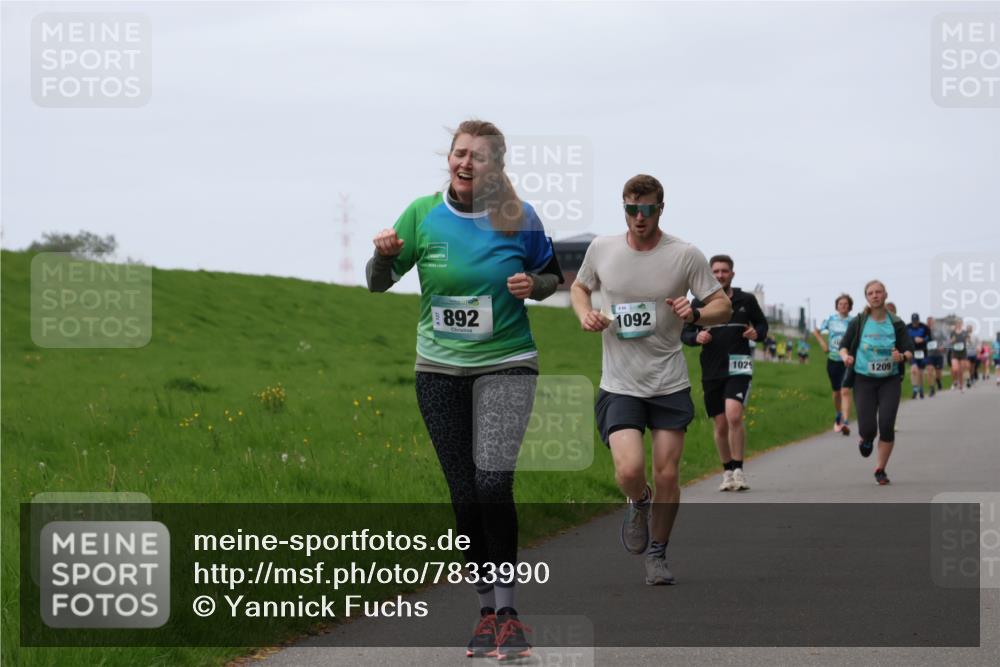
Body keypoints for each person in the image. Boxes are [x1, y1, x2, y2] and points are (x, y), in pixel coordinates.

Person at [367, 120, 563, 660]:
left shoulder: (519, 218)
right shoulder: (422, 213)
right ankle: (483, 611)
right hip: (438, 370)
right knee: (463, 491)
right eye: (459, 153)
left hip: (507, 363)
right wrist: (384, 255)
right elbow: (378, 281)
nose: (466, 162)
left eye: (478, 156)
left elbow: (552, 278)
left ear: (495, 166)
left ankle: (508, 612)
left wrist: (533, 285)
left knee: (493, 482)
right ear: (448, 158)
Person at [571, 174, 730, 585]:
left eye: (648, 209)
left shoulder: (685, 254)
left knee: (668, 475)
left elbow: (722, 306)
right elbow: (579, 287)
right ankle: (638, 501)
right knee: (629, 470)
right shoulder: (602, 248)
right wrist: (584, 313)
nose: (639, 218)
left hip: (668, 381)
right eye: (631, 209)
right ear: (623, 208)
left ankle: (657, 553)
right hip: (620, 382)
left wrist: (694, 313)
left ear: (661, 208)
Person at [681, 254, 767, 492]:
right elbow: (684, 333)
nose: (720, 275)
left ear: (732, 274)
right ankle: (727, 471)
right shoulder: (698, 303)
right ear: (710, 274)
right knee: (720, 425)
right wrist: (696, 336)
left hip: (739, 366)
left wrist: (756, 334)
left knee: (734, 415)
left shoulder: (746, 300)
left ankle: (739, 470)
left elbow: (762, 325)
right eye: (716, 271)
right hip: (711, 369)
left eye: (724, 271)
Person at [839, 280, 914, 485]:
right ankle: (866, 438)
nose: (875, 295)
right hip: (864, 380)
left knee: (887, 425)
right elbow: (844, 346)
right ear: (866, 297)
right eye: (870, 293)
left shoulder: (896, 322)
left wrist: (902, 357)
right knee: (869, 428)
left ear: (885, 294)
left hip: (890, 380)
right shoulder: (860, 321)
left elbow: (909, 349)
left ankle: (880, 469)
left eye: (878, 292)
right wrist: (846, 357)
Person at [814, 294, 854, 435]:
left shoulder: (853, 321)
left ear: (850, 306)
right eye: (840, 304)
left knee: (845, 390)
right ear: (836, 306)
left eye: (846, 304)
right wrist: (823, 343)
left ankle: (846, 421)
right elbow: (816, 331)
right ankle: (838, 414)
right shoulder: (830, 319)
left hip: (847, 361)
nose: (843, 306)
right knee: (836, 392)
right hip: (832, 360)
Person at [906, 313, 932, 399]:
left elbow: (929, 337)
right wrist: (914, 339)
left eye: (916, 321)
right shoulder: (907, 327)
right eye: (914, 321)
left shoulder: (924, 327)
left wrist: (923, 339)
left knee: (920, 372)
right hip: (912, 352)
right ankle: (914, 389)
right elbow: (904, 338)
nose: (915, 323)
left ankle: (921, 389)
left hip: (922, 352)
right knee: (914, 370)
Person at [949, 319, 970, 393]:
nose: (959, 324)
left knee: (961, 371)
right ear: (956, 324)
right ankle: (955, 381)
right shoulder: (953, 332)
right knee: (955, 369)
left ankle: (961, 386)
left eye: (960, 323)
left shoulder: (965, 332)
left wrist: (968, 341)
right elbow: (950, 342)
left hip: (963, 353)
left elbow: (968, 340)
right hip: (955, 353)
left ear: (962, 324)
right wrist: (952, 341)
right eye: (957, 323)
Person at [925, 316, 944, 395]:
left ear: (933, 322)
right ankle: (932, 388)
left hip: (939, 354)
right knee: (929, 370)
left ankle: (938, 380)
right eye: (928, 322)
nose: (929, 323)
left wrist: (942, 346)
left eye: (931, 321)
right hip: (929, 354)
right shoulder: (924, 331)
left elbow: (945, 340)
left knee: (938, 372)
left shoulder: (939, 331)